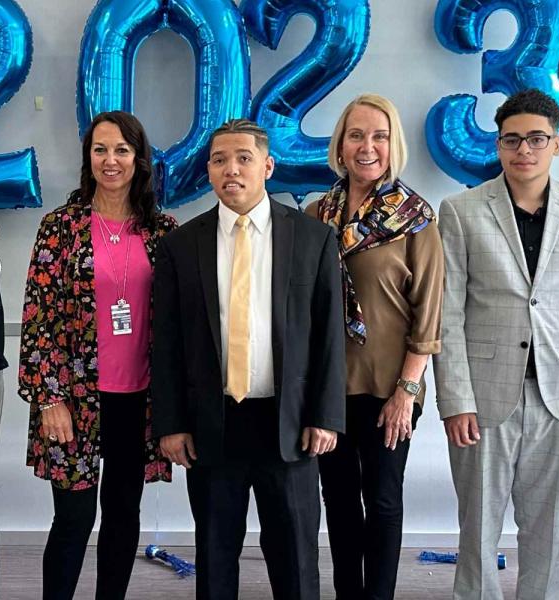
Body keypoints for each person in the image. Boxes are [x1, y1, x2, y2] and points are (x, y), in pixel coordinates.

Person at [152, 118, 345, 600]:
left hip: (290, 423)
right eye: (219, 160)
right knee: (215, 557)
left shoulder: (313, 238)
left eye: (243, 158)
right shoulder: (180, 245)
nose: (230, 169)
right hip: (213, 424)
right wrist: (171, 424)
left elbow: (329, 336)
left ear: (268, 166)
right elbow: (168, 342)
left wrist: (325, 415)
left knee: (296, 558)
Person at [433, 89, 559, 599]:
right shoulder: (462, 210)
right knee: (478, 534)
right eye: (512, 139)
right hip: (484, 401)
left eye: (537, 138)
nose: (524, 150)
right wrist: (456, 400)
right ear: (498, 145)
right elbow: (448, 314)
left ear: (557, 143)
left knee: (546, 536)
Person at [19, 111, 178, 600]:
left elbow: (175, 323)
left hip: (138, 398)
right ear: (88, 158)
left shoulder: (163, 230)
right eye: (100, 150)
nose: (111, 160)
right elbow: (37, 317)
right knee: (73, 517)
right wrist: (49, 399)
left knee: (122, 515)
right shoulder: (60, 227)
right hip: (73, 399)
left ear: (139, 159)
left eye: (122, 150)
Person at [307, 94, 443, 600]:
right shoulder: (316, 213)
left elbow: (428, 313)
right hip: (330, 390)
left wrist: (407, 390)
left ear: (393, 145)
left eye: (379, 136)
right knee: (338, 501)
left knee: (383, 501)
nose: (368, 146)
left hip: (391, 389)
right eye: (356, 135)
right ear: (340, 145)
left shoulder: (415, 216)